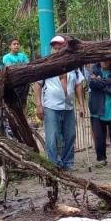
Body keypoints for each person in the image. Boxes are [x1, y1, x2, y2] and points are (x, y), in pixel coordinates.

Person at [35, 36, 86, 170]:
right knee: (52, 137)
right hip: (51, 106)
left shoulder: (72, 65)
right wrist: (38, 105)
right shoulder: (46, 65)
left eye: (60, 47)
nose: (57, 50)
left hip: (68, 106)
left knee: (70, 135)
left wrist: (81, 105)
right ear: (52, 49)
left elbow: (78, 84)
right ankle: (53, 164)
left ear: (65, 48)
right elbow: (38, 85)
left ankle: (68, 163)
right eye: (55, 48)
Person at [88, 61, 111, 167]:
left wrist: (101, 82)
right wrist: (109, 82)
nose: (104, 62)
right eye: (102, 59)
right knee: (99, 136)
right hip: (97, 107)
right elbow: (92, 83)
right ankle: (101, 159)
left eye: (107, 59)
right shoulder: (94, 68)